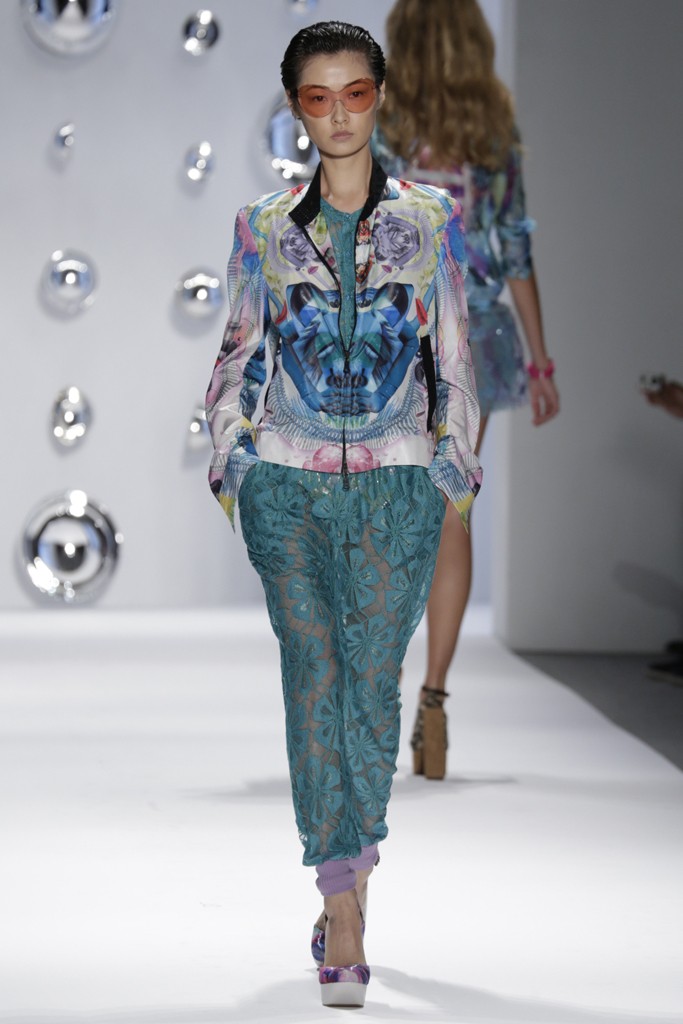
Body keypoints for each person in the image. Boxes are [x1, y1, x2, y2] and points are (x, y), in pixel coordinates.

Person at [205, 20, 481, 1008]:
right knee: (313, 680)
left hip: (398, 488)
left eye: (353, 94)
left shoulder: (432, 219)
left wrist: (450, 474)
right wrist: (236, 472)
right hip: (287, 483)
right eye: (317, 98)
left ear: (378, 97)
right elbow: (236, 354)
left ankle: (351, 875)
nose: (337, 114)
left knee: (367, 694)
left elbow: (454, 354)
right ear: (296, 108)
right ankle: (343, 906)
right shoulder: (262, 227)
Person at [374, 0, 560, 780]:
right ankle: (433, 705)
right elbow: (513, 244)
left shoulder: (381, 119)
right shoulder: (491, 123)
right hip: (475, 334)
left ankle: (374, 697)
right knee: (450, 512)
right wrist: (539, 361)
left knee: (385, 512)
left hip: (392, 332)